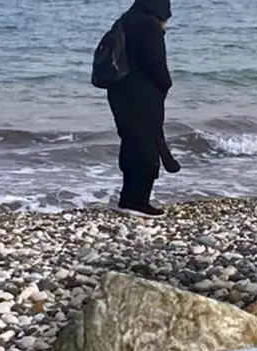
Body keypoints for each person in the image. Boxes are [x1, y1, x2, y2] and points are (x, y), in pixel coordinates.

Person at [104, 0, 174, 219]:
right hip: (141, 94)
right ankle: (138, 202)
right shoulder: (148, 25)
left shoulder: (128, 17)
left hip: (120, 91)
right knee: (146, 146)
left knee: (132, 142)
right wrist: (166, 84)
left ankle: (128, 198)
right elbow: (156, 64)